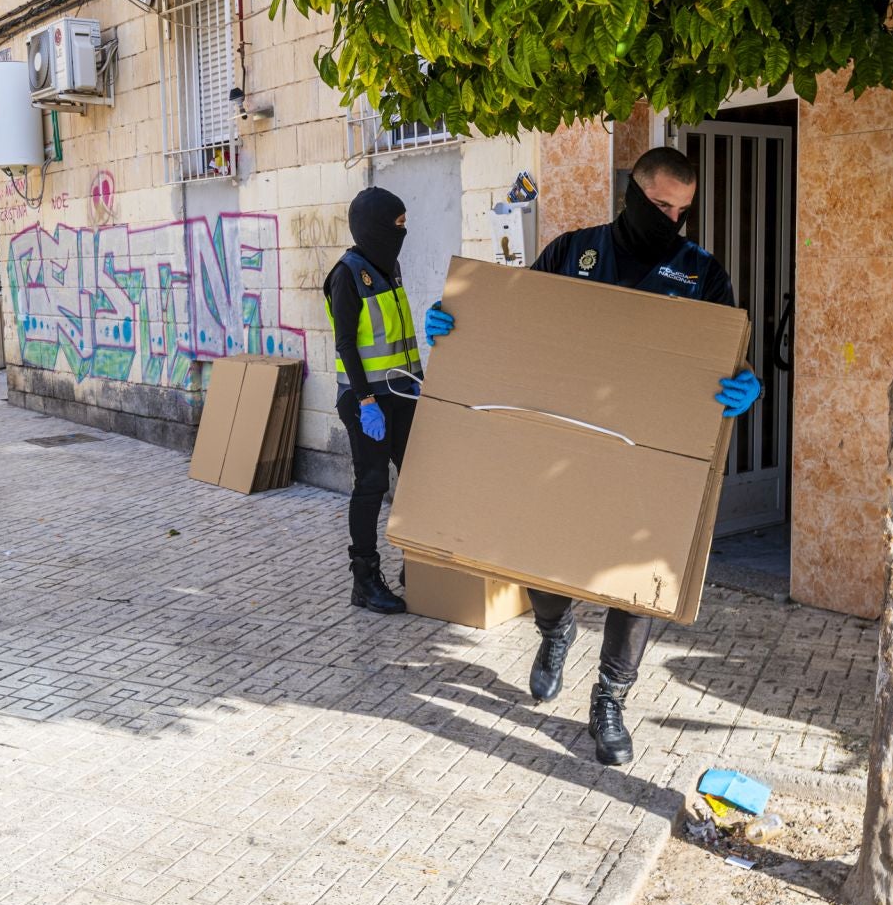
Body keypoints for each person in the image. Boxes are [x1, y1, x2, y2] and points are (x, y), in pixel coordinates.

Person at [424, 147, 762, 766]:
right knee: (538, 560)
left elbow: (725, 355)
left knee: (633, 587)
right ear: (630, 195)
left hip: (646, 456)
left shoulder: (701, 271)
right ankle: (554, 629)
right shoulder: (573, 252)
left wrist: (746, 382)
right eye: (660, 205)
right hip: (562, 446)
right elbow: (516, 319)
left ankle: (609, 699)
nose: (671, 219)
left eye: (683, 210)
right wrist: (460, 324)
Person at [324, 186, 427, 614]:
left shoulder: (389, 266)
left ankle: (419, 561)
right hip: (367, 401)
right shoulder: (347, 274)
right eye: (397, 224)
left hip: (403, 393)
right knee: (371, 485)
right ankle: (364, 579)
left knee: (419, 479)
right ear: (374, 226)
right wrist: (366, 401)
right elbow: (347, 344)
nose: (403, 231)